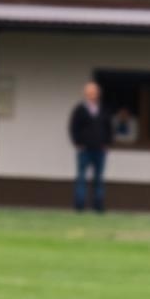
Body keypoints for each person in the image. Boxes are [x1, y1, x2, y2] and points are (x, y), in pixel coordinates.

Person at [67, 81, 112, 214]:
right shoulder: (79, 110)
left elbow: (109, 128)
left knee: (99, 178)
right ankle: (79, 206)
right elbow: (73, 128)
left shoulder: (103, 110)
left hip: (100, 150)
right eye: (90, 92)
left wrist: (107, 144)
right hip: (84, 150)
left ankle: (98, 206)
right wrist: (77, 143)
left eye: (95, 92)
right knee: (81, 178)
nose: (92, 95)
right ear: (85, 94)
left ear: (98, 94)